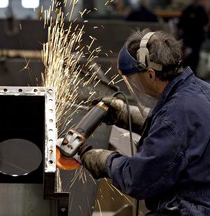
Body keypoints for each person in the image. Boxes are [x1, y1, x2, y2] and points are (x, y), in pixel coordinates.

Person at [79, 28, 210, 215]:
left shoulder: (174, 116)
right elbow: (181, 133)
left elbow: (138, 179)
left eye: (134, 78)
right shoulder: (200, 90)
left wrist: (102, 160)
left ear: (150, 74)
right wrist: (124, 114)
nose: (135, 84)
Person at [177, 0, 209, 75]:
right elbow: (180, 24)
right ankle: (185, 73)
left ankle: (194, 73)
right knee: (186, 58)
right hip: (188, 39)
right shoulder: (187, 10)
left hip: (198, 38)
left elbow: (206, 22)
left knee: (195, 57)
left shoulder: (201, 10)